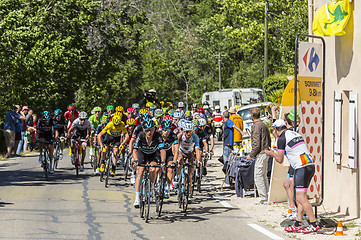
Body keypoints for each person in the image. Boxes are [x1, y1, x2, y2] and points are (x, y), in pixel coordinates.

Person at [265, 120, 319, 233]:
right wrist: (281, 151)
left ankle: (313, 224)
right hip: (309, 164)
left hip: (301, 167)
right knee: (301, 196)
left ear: (275, 129)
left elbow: (279, 160)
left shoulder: (281, 138)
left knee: (300, 198)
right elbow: (294, 150)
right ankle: (298, 223)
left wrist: (272, 154)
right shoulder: (294, 133)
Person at [133, 117, 166, 208]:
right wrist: (135, 160)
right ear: (143, 130)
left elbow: (162, 150)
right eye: (147, 130)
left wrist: (163, 162)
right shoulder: (140, 136)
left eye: (151, 130)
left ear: (154, 129)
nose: (149, 132)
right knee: (140, 172)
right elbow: (135, 150)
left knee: (153, 169)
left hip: (153, 154)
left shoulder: (157, 136)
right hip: (142, 153)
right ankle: (137, 197)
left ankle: (151, 188)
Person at [246, 108, 271, 204]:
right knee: (263, 175)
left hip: (261, 153)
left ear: (252, 116)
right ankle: (267, 194)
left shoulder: (256, 126)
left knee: (258, 175)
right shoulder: (263, 124)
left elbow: (256, 144)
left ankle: (263, 197)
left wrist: (251, 155)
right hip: (266, 152)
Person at [159, 118, 179, 198]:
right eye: (164, 130)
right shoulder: (157, 134)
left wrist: (174, 162)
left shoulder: (173, 136)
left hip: (169, 154)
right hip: (158, 154)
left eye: (168, 129)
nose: (166, 132)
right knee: (157, 168)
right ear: (162, 129)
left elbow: (177, 151)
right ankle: (156, 183)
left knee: (171, 168)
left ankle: (167, 187)